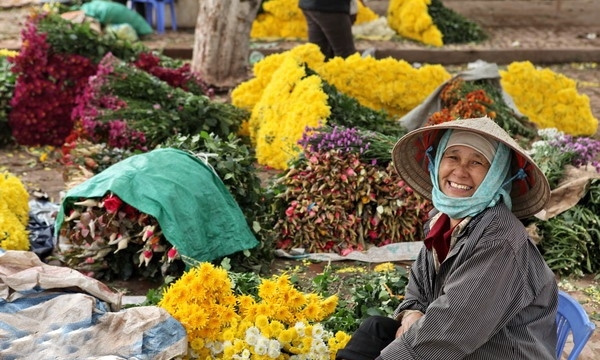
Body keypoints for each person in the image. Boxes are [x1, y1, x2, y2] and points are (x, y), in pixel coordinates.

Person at [336, 117, 558, 360]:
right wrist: (411, 313)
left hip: (495, 351)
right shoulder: (442, 221)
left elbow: (453, 327)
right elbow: (419, 287)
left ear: (495, 175)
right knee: (376, 330)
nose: (460, 171)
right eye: (452, 157)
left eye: (477, 162)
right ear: (437, 161)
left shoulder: (499, 236)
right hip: (466, 346)